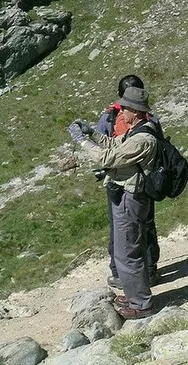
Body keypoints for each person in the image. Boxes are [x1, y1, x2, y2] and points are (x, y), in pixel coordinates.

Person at [69, 87, 159, 319]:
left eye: (124, 109)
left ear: (135, 111)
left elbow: (107, 157)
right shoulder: (136, 131)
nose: (120, 112)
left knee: (127, 250)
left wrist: (81, 142)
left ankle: (141, 304)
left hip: (132, 198)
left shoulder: (142, 139)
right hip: (126, 194)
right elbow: (113, 144)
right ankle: (133, 294)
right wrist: (92, 134)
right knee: (125, 248)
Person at [95, 75, 161, 290]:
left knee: (120, 231)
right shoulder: (151, 122)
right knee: (146, 226)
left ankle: (120, 274)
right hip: (145, 182)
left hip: (119, 182)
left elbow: (105, 148)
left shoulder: (110, 116)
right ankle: (149, 270)